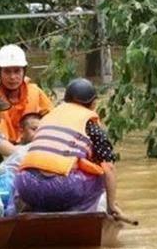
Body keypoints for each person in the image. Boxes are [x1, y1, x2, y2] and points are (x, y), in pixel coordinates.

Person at [14, 78, 126, 219]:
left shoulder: (48, 117)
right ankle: (82, 216)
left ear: (66, 100)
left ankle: (33, 210)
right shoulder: (91, 126)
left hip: (25, 184)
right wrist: (112, 206)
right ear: (93, 104)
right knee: (100, 174)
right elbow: (109, 168)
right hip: (61, 189)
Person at [0, 44, 53, 144]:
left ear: (23, 72)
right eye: (7, 72)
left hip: (32, 145)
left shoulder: (35, 91)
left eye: (17, 71)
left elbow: (52, 118)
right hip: (4, 148)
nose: (12, 77)